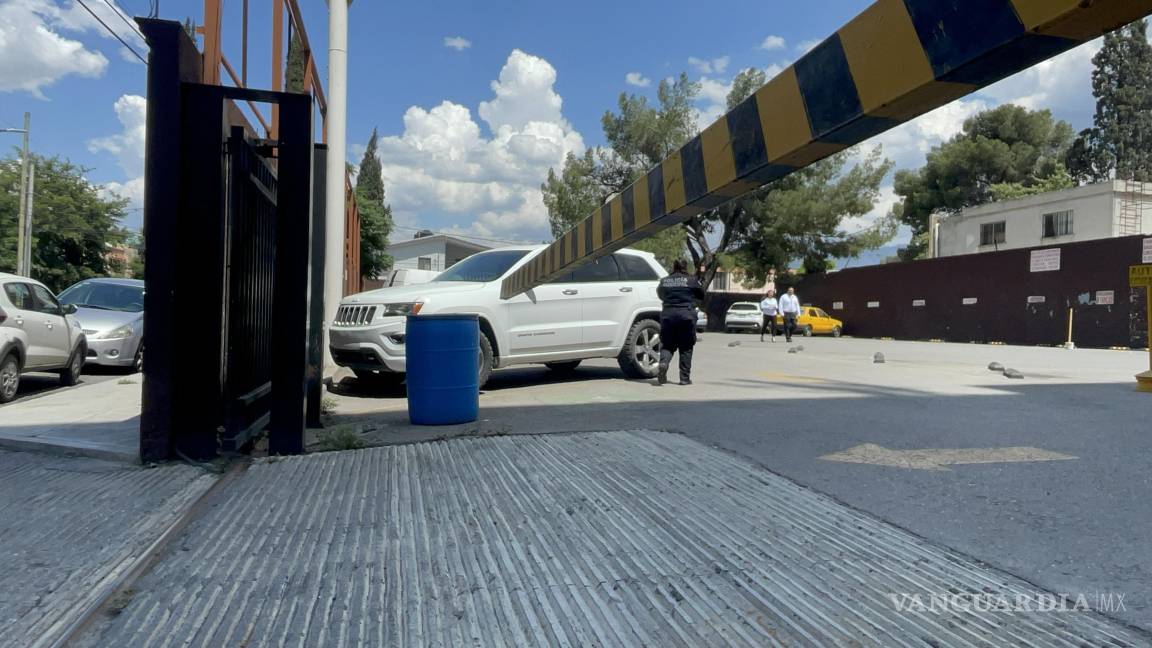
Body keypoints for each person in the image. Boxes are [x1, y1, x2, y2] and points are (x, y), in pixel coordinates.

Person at [656, 259, 705, 385]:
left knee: (667, 344)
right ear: (685, 267)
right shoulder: (691, 280)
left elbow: (660, 295)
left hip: (668, 316)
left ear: (674, 267)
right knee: (686, 347)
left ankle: (663, 363)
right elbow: (701, 295)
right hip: (686, 316)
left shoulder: (665, 280)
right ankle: (684, 379)